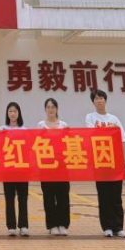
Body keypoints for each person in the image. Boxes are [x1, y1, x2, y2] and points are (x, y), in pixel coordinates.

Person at [86, 89, 125, 238]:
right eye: (96, 98)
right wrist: (109, 130)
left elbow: (122, 140)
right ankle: (107, 227)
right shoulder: (90, 117)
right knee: (103, 195)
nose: (99, 101)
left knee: (116, 196)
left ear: (105, 100)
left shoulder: (114, 119)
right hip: (100, 162)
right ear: (93, 102)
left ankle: (119, 227)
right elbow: (92, 135)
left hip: (116, 162)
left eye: (101, 98)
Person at [37, 98, 70, 237]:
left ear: (57, 109)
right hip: (47, 166)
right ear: (45, 109)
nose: (51, 109)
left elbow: (69, 144)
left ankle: (63, 224)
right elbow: (37, 144)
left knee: (63, 195)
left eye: (53, 107)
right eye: (48, 107)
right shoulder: (41, 125)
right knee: (49, 196)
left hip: (62, 165)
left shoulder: (64, 125)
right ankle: (52, 225)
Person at [0, 102, 29, 237]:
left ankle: (24, 225)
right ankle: (11, 226)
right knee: (9, 199)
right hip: (8, 169)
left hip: (22, 169)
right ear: (7, 113)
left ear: (19, 113)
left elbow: (28, 149)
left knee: (23, 199)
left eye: (15, 111)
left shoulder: (24, 130)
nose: (12, 113)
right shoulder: (2, 129)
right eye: (10, 111)